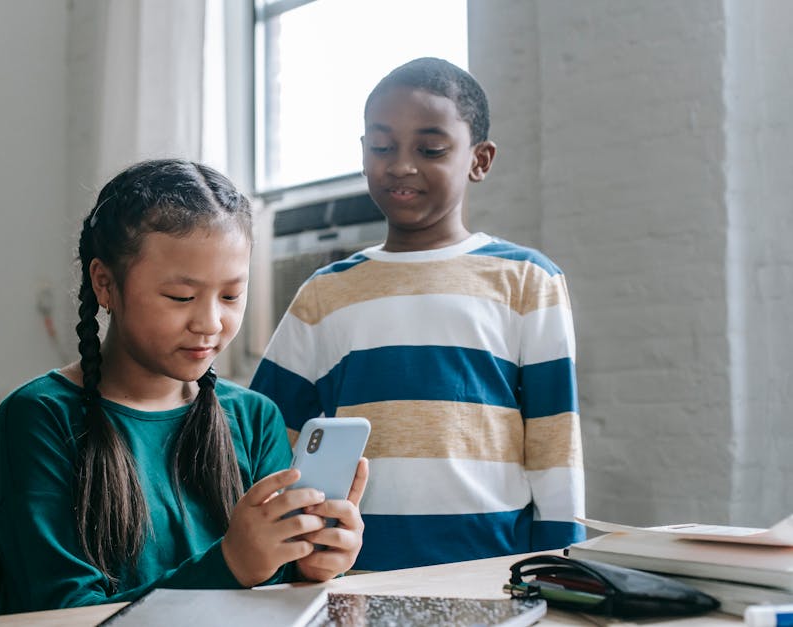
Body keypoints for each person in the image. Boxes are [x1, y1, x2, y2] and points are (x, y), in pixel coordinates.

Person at [0, 159, 368, 613]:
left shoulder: (253, 418)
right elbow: (64, 611)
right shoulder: (39, 418)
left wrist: (314, 564)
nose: (209, 323)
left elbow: (277, 589)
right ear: (105, 284)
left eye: (230, 296)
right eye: (180, 297)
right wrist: (230, 565)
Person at [250, 57, 585, 571]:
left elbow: (553, 446)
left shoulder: (528, 281)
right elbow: (266, 437)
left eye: (430, 149)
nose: (401, 164)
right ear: (363, 154)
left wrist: (561, 567)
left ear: (480, 159)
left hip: (491, 572)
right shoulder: (324, 293)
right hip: (351, 573)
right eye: (382, 147)